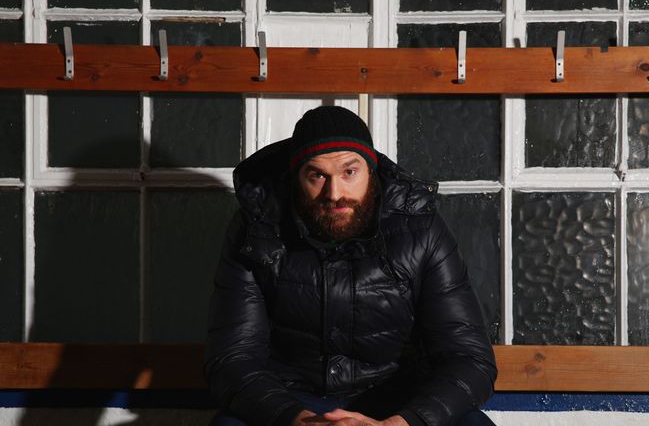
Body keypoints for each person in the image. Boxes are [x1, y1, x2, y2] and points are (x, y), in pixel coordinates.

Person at [205, 106, 497, 426]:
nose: (335, 194)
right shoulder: (257, 227)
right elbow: (232, 359)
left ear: (371, 171)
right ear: (295, 178)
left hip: (398, 399)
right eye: (316, 175)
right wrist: (297, 419)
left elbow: (470, 359)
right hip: (291, 397)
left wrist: (403, 423)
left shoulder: (419, 226)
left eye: (349, 172)